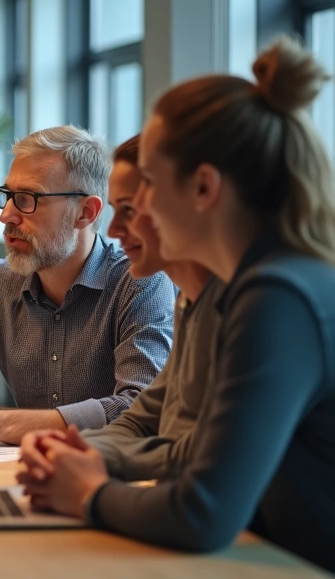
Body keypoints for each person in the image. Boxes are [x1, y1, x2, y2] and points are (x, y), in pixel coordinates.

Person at [18, 38, 335, 576]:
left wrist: (89, 494)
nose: (138, 212)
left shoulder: (280, 296)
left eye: (149, 183)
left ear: (203, 187)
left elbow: (202, 512)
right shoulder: (256, 285)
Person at [0, 126, 176, 446]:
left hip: (106, 478)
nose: (6, 216)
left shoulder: (141, 282)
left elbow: (139, 408)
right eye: (7, 196)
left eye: (27, 199)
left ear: (86, 212)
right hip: (19, 473)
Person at [72, 134, 220, 480]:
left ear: (199, 197)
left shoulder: (263, 305)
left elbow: (202, 467)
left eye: (132, 209)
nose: (114, 229)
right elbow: (143, 417)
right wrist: (71, 452)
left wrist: (88, 490)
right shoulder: (191, 300)